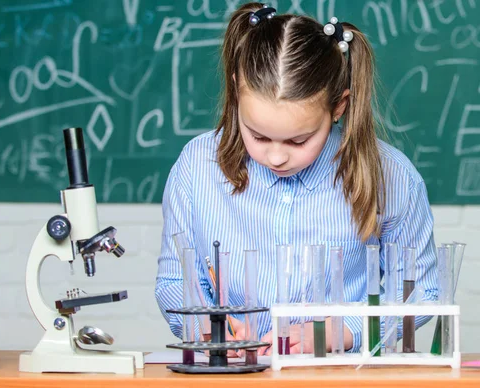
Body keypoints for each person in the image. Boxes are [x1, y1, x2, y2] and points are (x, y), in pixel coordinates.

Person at [155, 2, 437, 354]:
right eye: (256, 135)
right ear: (235, 91)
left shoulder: (391, 177)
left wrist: (344, 331)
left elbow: (420, 292)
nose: (275, 156)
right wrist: (208, 329)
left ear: (339, 106)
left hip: (341, 376)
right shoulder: (196, 168)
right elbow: (174, 281)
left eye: (298, 140)